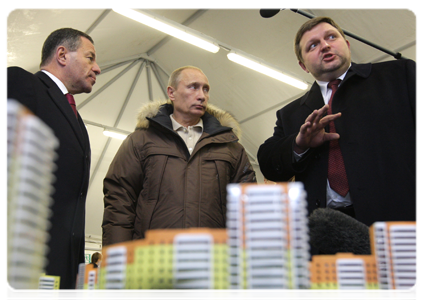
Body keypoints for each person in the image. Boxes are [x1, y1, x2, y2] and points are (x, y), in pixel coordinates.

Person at [257, 17, 419, 227]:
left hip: (399, 221)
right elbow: (268, 164)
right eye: (313, 45)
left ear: (347, 44)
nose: (325, 45)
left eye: (331, 37)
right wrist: (299, 144)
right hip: (327, 231)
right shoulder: (290, 114)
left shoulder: (399, 76)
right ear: (303, 65)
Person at [102, 66, 256, 246]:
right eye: (193, 87)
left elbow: (248, 210)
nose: (201, 96)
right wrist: (117, 259)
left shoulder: (230, 148)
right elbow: (120, 202)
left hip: (212, 261)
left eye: (205, 89)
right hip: (151, 259)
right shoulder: (140, 141)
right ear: (171, 93)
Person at [5, 28, 101, 300]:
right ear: (62, 54)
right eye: (90, 58)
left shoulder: (76, 118)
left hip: (65, 267)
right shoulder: (22, 83)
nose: (98, 68)